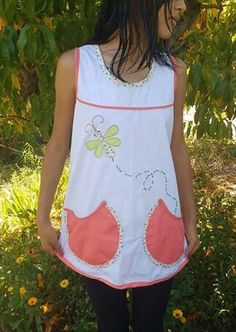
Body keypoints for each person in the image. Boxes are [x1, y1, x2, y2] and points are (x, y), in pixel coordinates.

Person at [36, 0, 200, 331]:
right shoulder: (77, 65)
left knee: (149, 324)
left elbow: (177, 148)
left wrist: (190, 219)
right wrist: (42, 218)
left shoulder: (174, 73)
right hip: (96, 225)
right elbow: (58, 144)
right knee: (110, 323)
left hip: (159, 224)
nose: (182, 6)